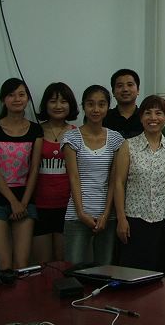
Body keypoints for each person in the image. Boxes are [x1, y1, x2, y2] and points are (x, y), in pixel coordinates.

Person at [0, 78, 43, 270]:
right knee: (3, 265)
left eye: (21, 94)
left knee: (22, 264)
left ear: (27, 99)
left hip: (25, 200)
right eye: (11, 95)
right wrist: (13, 202)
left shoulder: (36, 130)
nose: (17, 99)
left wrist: (23, 203)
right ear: (3, 100)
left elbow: (34, 169)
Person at [113, 95, 165, 272]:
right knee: (131, 273)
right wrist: (121, 219)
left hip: (163, 221)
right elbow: (119, 183)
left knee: (159, 273)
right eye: (148, 113)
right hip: (134, 221)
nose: (153, 118)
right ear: (141, 117)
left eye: (158, 113)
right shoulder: (128, 146)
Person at [62, 85, 124, 265]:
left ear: (107, 107)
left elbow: (114, 180)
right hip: (77, 215)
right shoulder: (71, 138)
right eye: (90, 104)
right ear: (83, 106)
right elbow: (73, 178)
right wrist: (81, 213)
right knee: (73, 269)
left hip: (107, 217)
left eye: (101, 104)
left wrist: (106, 214)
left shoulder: (116, 139)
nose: (96, 109)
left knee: (105, 270)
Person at [31, 82, 79, 263]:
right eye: (53, 101)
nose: (58, 106)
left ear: (71, 105)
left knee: (63, 263)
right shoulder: (35, 131)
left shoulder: (77, 134)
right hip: (39, 205)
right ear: (45, 104)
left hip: (68, 206)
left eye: (64, 101)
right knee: (43, 264)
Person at [103, 69, 143, 138]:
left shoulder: (145, 117)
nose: (125, 89)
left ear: (138, 90)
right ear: (113, 92)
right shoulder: (104, 117)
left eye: (130, 85)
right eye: (120, 86)